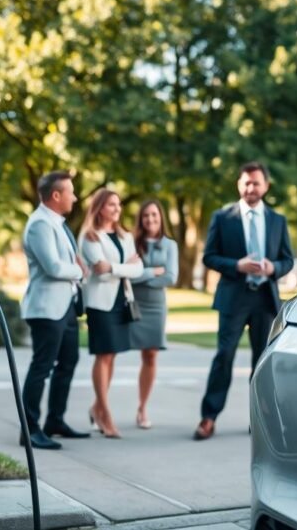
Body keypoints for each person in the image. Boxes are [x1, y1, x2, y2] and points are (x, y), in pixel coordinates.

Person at [194, 162, 294, 441]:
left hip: (265, 300)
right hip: (233, 298)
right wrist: (236, 265)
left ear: (266, 186)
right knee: (223, 356)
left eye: (256, 183)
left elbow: (287, 259)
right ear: (239, 184)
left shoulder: (277, 220)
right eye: (246, 183)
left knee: (261, 363)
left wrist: (274, 268)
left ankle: (259, 421)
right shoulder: (223, 217)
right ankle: (208, 417)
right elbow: (209, 256)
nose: (251, 188)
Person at [20, 171, 92, 450]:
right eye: (71, 192)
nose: (75, 197)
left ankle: (55, 421)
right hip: (46, 308)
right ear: (56, 195)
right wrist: (79, 270)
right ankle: (29, 429)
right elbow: (53, 267)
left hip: (66, 307)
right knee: (42, 367)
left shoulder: (58, 223)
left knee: (68, 362)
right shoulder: (39, 224)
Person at [79, 188, 143, 439]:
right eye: (111, 205)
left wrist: (117, 267)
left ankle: (96, 407)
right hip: (99, 304)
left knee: (112, 357)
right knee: (103, 357)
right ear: (99, 208)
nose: (117, 209)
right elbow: (99, 271)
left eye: (118, 204)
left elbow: (137, 270)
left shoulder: (125, 236)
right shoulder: (90, 236)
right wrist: (126, 267)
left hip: (122, 301)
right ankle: (105, 413)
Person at [129, 199, 179, 430]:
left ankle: (142, 408)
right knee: (109, 355)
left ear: (161, 219)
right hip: (132, 304)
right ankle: (100, 407)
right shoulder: (131, 242)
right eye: (146, 215)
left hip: (156, 307)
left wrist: (142, 275)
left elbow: (170, 277)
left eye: (154, 215)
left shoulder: (170, 245)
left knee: (150, 356)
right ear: (141, 219)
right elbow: (128, 275)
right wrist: (151, 272)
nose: (150, 219)